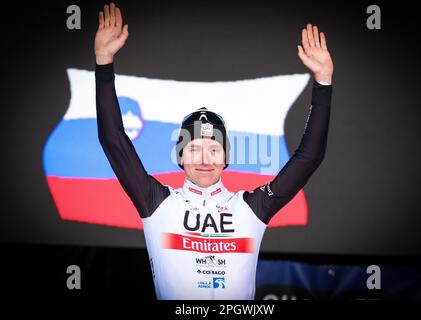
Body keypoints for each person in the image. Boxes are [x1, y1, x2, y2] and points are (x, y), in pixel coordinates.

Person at [95, 2, 333, 300]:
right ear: (180, 157)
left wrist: (323, 82)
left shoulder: (252, 208)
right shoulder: (155, 201)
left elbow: (309, 158)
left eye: (214, 149)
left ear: (226, 158)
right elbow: (113, 139)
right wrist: (104, 63)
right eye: (194, 148)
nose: (205, 159)